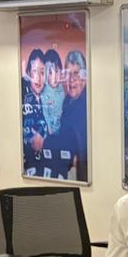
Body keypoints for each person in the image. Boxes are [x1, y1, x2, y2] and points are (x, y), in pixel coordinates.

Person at [47, 51, 86, 182]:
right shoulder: (67, 100)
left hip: (84, 173)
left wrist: (44, 142)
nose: (71, 79)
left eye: (76, 74)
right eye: (68, 74)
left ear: (85, 77)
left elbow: (68, 141)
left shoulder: (86, 103)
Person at [22, 48, 49, 177]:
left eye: (42, 72)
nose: (38, 78)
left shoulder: (48, 97)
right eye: (34, 72)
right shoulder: (22, 94)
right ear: (28, 73)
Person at [40, 48, 65, 136]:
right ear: (46, 75)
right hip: (51, 131)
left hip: (61, 128)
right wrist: (49, 129)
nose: (54, 76)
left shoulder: (61, 88)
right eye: (50, 73)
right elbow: (45, 113)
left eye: (57, 71)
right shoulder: (45, 93)